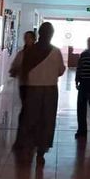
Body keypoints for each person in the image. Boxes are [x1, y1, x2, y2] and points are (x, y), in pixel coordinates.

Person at [13, 22, 65, 164]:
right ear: (51, 35)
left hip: (32, 89)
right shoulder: (56, 52)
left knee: (30, 118)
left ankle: (28, 145)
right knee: (47, 120)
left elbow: (22, 69)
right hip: (50, 90)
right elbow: (61, 70)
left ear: (39, 34)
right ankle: (41, 149)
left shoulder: (29, 51)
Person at [9, 29, 37, 148]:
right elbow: (15, 66)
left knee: (29, 110)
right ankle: (23, 138)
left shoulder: (37, 54)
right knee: (26, 109)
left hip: (35, 85)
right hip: (24, 84)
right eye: (25, 38)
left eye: (29, 38)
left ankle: (28, 137)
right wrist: (14, 71)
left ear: (34, 39)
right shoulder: (21, 53)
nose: (26, 40)